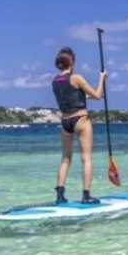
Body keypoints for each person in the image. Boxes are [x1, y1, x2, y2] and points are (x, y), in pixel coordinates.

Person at [50, 46, 107, 205]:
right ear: (72, 62)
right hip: (81, 120)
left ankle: (60, 196)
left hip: (65, 121)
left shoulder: (54, 81)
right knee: (86, 158)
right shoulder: (77, 78)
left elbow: (71, 97)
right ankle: (86, 196)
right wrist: (102, 78)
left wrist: (82, 96)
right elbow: (97, 95)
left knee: (65, 159)